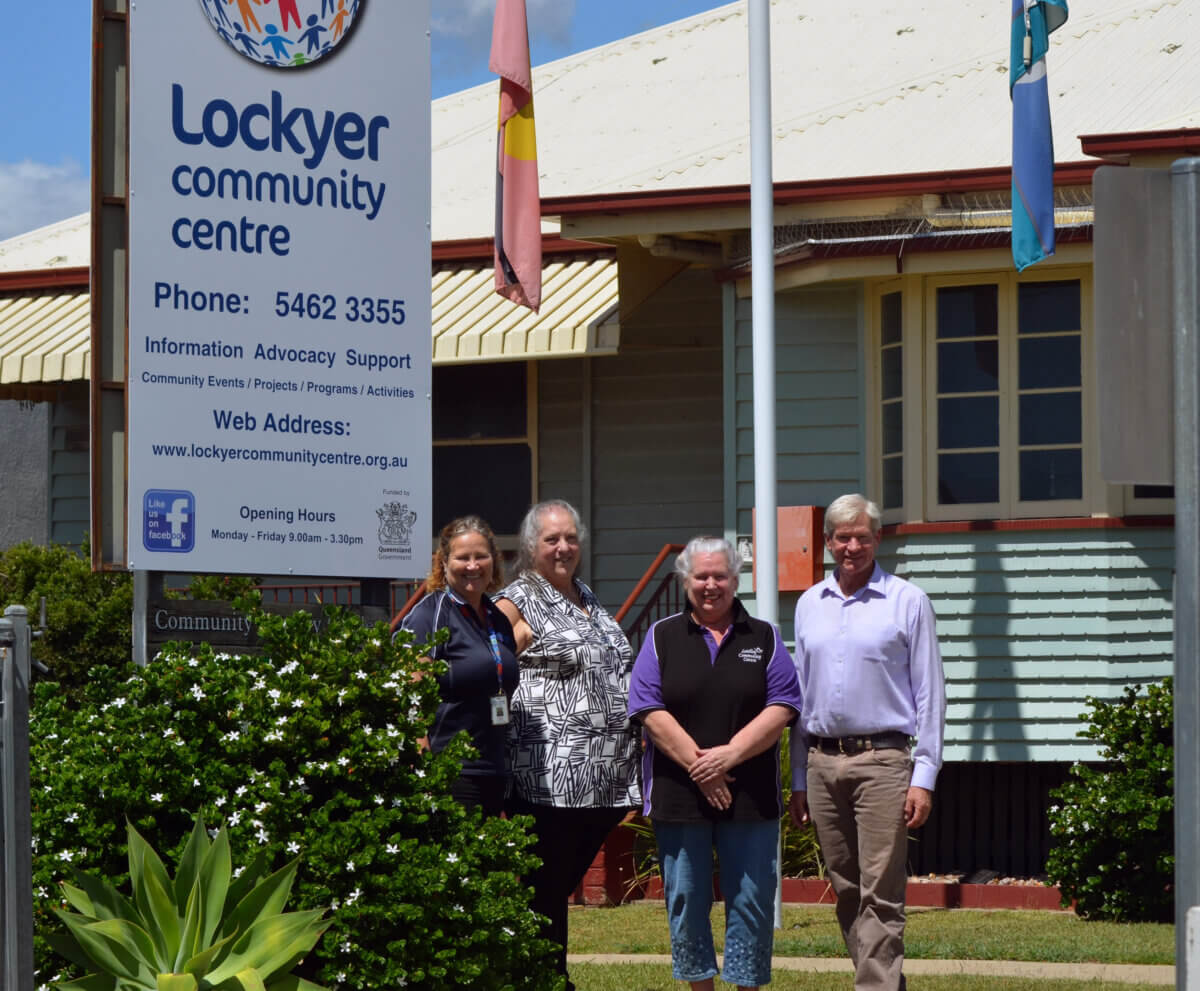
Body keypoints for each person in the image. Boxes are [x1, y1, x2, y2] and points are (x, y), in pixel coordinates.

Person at [628, 536, 803, 991]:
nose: (710, 585)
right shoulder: (661, 636)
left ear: (735, 580)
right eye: (701, 576)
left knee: (751, 900)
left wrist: (729, 755)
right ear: (686, 580)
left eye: (720, 576)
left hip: (751, 796)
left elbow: (783, 704)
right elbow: (647, 706)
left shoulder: (763, 636)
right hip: (679, 795)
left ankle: (747, 985)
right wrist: (700, 767)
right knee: (686, 898)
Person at [788, 494, 946, 991]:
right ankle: (885, 984)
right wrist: (797, 776)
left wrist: (924, 776)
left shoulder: (908, 601)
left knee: (881, 891)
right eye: (842, 536)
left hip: (884, 761)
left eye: (862, 536)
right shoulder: (810, 604)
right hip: (822, 762)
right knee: (848, 890)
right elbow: (801, 694)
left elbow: (931, 695)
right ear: (828, 542)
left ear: (878, 539)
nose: (852, 545)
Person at [495, 499, 640, 991]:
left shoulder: (585, 596)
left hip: (602, 776)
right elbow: (489, 666)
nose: (563, 547)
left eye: (570, 538)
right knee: (548, 885)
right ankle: (545, 978)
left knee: (552, 885)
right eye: (551, 539)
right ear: (531, 545)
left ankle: (539, 975)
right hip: (549, 773)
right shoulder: (518, 600)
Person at [399, 515, 519, 817]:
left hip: (492, 769)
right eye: (462, 557)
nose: (473, 565)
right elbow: (407, 698)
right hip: (448, 772)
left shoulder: (497, 618)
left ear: (493, 561)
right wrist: (422, 768)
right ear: (443, 563)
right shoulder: (430, 614)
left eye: (481, 556)